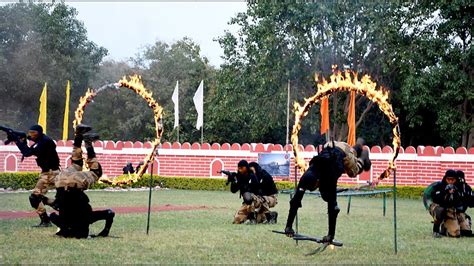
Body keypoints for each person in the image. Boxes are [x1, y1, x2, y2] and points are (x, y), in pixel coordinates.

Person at [284, 139, 372, 243]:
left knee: (354, 171)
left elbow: (333, 208)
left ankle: (364, 155)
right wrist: (288, 227)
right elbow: (295, 201)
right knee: (352, 150)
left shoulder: (330, 176)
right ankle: (359, 145)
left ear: (318, 182)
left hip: (345, 153)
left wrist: (330, 235)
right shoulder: (307, 177)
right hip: (331, 145)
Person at [49, 124, 115, 238]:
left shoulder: (86, 219)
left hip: (72, 185)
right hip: (61, 180)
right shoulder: (63, 221)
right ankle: (79, 136)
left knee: (95, 171)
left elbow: (110, 213)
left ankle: (87, 142)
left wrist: (105, 231)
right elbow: (52, 215)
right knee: (78, 164)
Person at [13, 124, 60, 227]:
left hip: (49, 174)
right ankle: (56, 204)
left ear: (40, 133)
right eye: (30, 133)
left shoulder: (44, 142)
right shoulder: (42, 140)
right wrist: (20, 135)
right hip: (50, 172)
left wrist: (17, 141)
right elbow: (31, 140)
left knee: (34, 198)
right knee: (38, 197)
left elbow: (27, 152)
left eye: (34, 133)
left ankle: (46, 221)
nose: (31, 135)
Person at [429, 170, 472, 237]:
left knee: (459, 233)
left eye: (453, 179)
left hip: (451, 211)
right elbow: (434, 198)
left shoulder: (459, 188)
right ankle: (436, 230)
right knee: (440, 210)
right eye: (448, 179)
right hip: (439, 207)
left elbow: (466, 202)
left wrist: (458, 194)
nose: (450, 181)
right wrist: (445, 192)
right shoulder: (440, 185)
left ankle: (448, 226)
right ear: (445, 178)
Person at [229, 160, 260, 224]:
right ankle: (249, 217)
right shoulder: (239, 177)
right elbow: (233, 190)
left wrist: (247, 188)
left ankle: (253, 217)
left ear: (246, 167)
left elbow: (258, 189)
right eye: (238, 168)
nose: (239, 170)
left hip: (256, 200)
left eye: (241, 168)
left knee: (248, 195)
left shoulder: (252, 176)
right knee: (236, 220)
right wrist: (233, 181)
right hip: (246, 203)